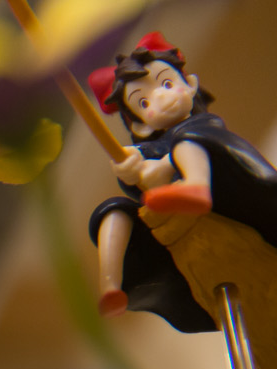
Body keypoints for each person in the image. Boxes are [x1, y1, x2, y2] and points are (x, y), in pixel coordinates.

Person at [88, 33, 277, 323]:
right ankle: (111, 285)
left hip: (235, 193)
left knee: (187, 142)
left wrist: (165, 167)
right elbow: (144, 189)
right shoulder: (149, 149)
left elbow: (207, 151)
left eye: (166, 84)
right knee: (112, 211)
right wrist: (129, 172)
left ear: (190, 84)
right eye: (144, 102)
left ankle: (195, 186)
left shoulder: (205, 126)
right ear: (140, 124)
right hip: (180, 221)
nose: (161, 98)